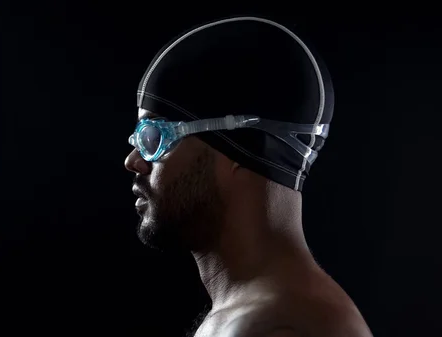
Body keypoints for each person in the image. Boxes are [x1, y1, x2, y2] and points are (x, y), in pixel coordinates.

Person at [123, 17, 373, 337]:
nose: (134, 162)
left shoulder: (285, 326)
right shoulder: (256, 315)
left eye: (154, 138)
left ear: (239, 149)